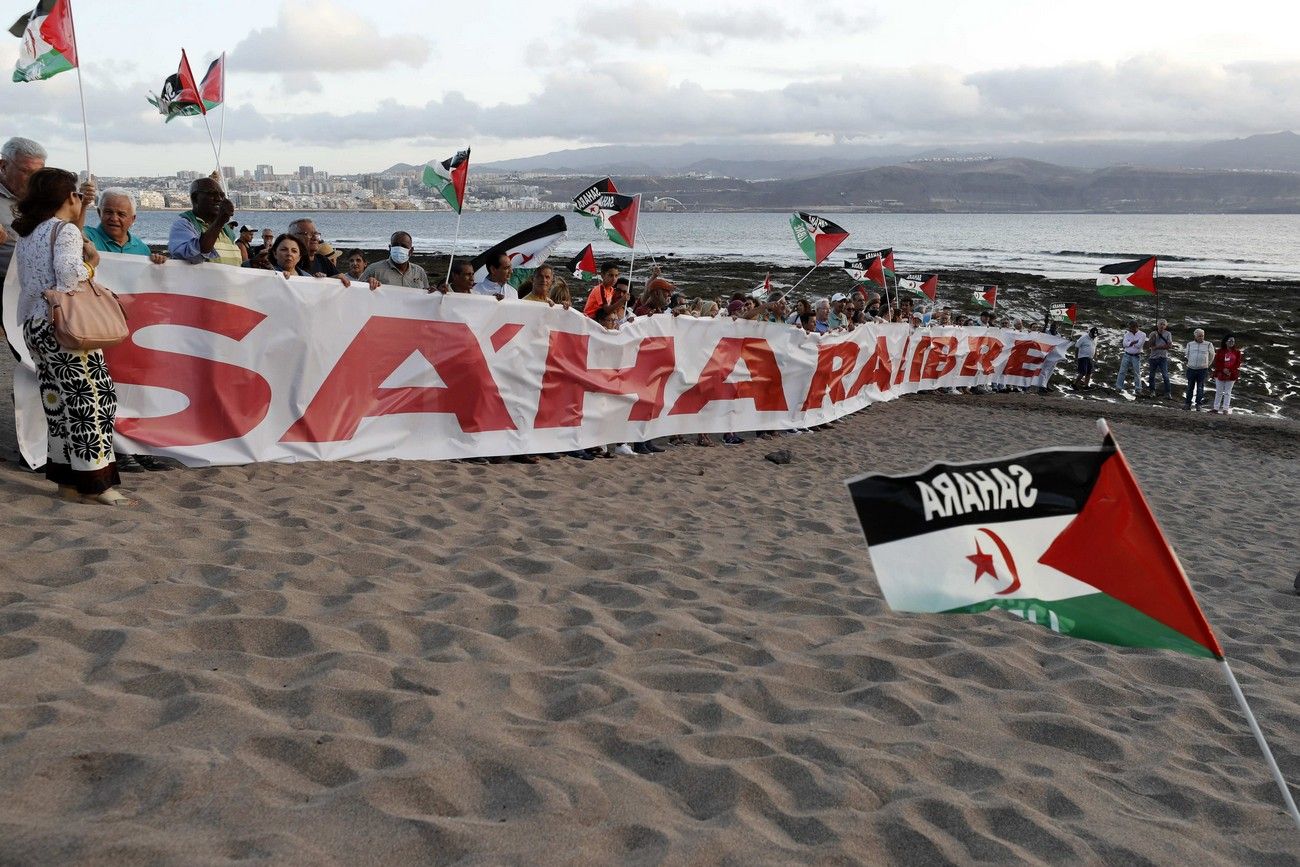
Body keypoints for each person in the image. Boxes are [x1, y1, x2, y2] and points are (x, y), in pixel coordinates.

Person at [12, 168, 135, 506]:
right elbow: (69, 277)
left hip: (35, 325)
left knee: (57, 402)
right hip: (64, 327)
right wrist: (91, 264)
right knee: (93, 399)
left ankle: (66, 481)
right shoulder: (63, 231)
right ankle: (95, 484)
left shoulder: (29, 232)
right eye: (76, 195)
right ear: (68, 197)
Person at [1, 137, 48, 282]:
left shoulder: (45, 199)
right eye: (26, 172)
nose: (34, 180)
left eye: (38, 174)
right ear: (3, 166)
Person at [168, 177, 240, 265]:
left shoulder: (227, 231)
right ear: (195, 198)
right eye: (212, 194)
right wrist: (219, 222)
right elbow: (192, 256)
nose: (219, 199)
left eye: (222, 195)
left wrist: (250, 263)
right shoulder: (184, 225)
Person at [84, 188, 167, 264]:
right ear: (99, 213)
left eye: (121, 214)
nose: (114, 218)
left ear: (132, 219)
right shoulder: (86, 236)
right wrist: (83, 204)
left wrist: (156, 263)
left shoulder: (141, 248)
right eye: (108, 212)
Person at [361, 231, 428, 290]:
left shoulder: (419, 272)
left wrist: (435, 293)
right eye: (395, 245)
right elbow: (357, 290)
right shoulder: (373, 270)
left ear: (411, 251)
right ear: (390, 248)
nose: (399, 249)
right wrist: (366, 283)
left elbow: (427, 296)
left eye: (403, 246)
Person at [1210, 334, 1242, 415]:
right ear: (1225, 342)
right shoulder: (1220, 351)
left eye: (1233, 341)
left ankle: (1225, 409)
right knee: (1219, 391)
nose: (1232, 342)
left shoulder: (1237, 352)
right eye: (1230, 341)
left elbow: (1237, 363)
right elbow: (1216, 362)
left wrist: (1229, 370)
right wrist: (1223, 369)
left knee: (1228, 392)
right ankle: (1215, 408)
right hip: (1220, 373)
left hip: (1231, 374)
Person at [1183, 328, 1214, 410]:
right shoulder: (1190, 344)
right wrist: (1191, 363)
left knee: (1200, 387)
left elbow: (1212, 355)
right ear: (1195, 336)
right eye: (1199, 336)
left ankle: (1198, 404)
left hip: (1202, 369)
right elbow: (1187, 355)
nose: (1201, 337)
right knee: (1190, 386)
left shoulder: (1208, 344)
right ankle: (1187, 403)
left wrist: (1207, 364)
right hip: (1191, 368)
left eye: (1202, 336)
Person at [1114, 319, 1146, 393]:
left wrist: (1130, 343)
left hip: (1136, 356)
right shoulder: (1127, 334)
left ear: (1136, 327)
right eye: (1129, 328)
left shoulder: (1143, 334)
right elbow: (1124, 344)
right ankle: (1118, 387)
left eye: (1131, 328)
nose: (1130, 329)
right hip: (1127, 355)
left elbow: (1139, 345)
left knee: (1137, 373)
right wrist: (1133, 342)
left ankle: (1138, 389)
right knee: (1122, 371)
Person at [1146, 318, 1174, 398]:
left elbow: (1169, 346)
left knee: (1165, 375)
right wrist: (1153, 337)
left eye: (1163, 324)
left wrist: (1157, 347)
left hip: (1163, 357)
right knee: (1151, 375)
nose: (1162, 326)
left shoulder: (1168, 334)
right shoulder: (1153, 333)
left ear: (1166, 326)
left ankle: (1168, 393)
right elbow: (1149, 345)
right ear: (1157, 325)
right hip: (1153, 358)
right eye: (1160, 324)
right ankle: (1152, 391)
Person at [1071, 326, 1098, 391]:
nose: (1094, 337)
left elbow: (1095, 346)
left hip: (1090, 357)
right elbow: (1077, 347)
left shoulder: (1095, 338)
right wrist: (1076, 357)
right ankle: (1074, 384)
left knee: (1089, 372)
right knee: (1083, 372)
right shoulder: (1083, 338)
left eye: (1095, 336)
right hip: (1083, 357)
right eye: (1093, 335)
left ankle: (1086, 385)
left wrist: (1095, 354)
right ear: (1090, 333)